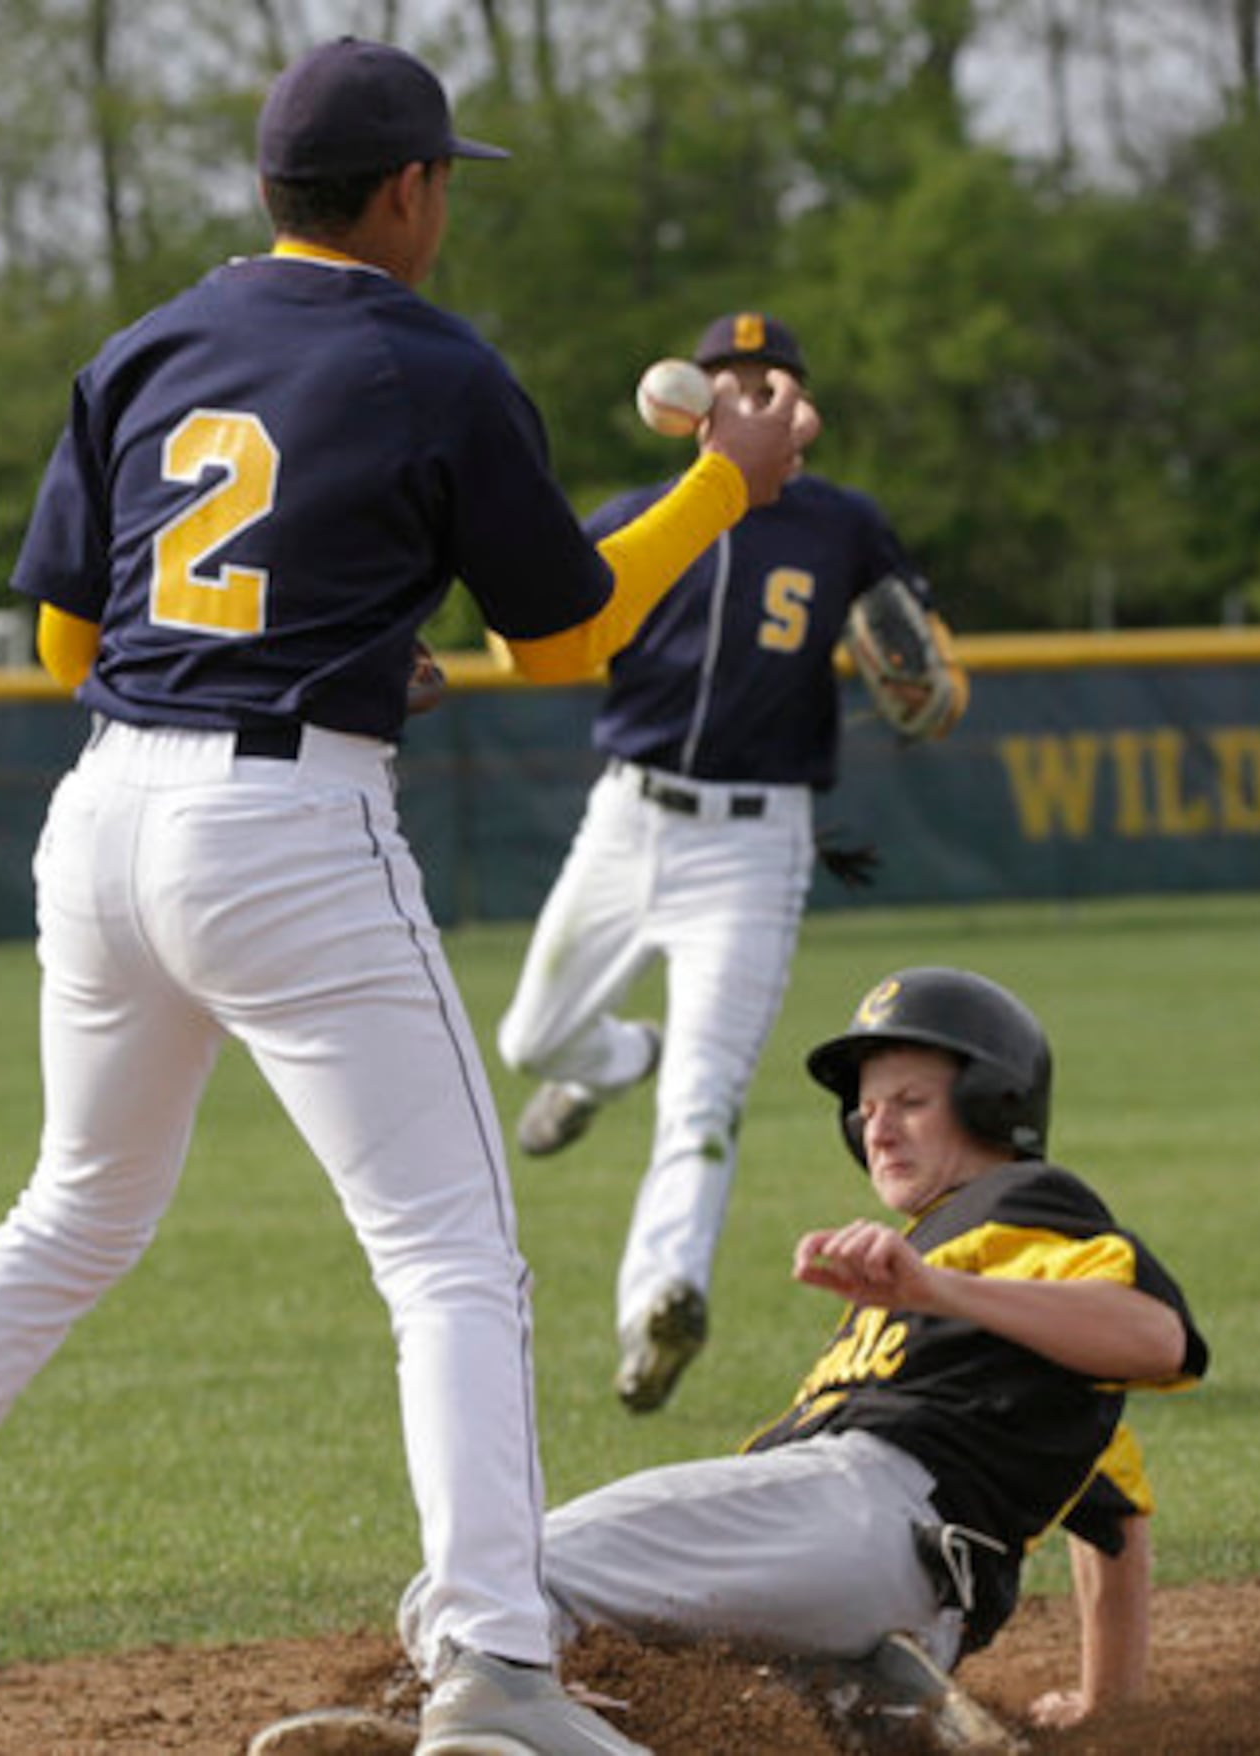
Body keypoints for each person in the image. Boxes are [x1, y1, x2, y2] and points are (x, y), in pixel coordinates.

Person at [0, 36, 809, 1756]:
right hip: (284, 829)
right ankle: (497, 1670)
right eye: (444, 175)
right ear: (404, 192)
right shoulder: (433, 360)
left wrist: (362, 656)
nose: (444, 201)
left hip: (102, 818)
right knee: (454, 1255)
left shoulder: (149, 342)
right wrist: (721, 488)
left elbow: (69, 641)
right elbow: (571, 638)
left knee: (73, 1211)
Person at [400, 967, 1209, 1745]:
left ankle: (471, 1726)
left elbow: (1155, 1337)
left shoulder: (1018, 1201)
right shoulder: (975, 1308)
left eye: (910, 1103)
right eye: (866, 1110)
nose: (877, 1128)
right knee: (656, 1670)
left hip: (869, 1512)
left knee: (493, 1592)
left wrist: (940, 1291)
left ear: (992, 1103)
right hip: (898, 1588)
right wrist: (1111, 1704)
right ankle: (864, 1695)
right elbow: (1112, 1508)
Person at [498, 310, 969, 1414]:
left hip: (755, 847)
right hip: (628, 818)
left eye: (775, 381)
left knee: (704, 1102)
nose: (756, 395)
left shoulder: (844, 527)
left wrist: (929, 683)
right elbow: (534, 630)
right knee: (531, 1036)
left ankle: (659, 1304)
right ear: (695, 405)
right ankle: (619, 1058)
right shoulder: (637, 518)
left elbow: (920, 659)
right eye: (733, 379)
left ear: (803, 411)